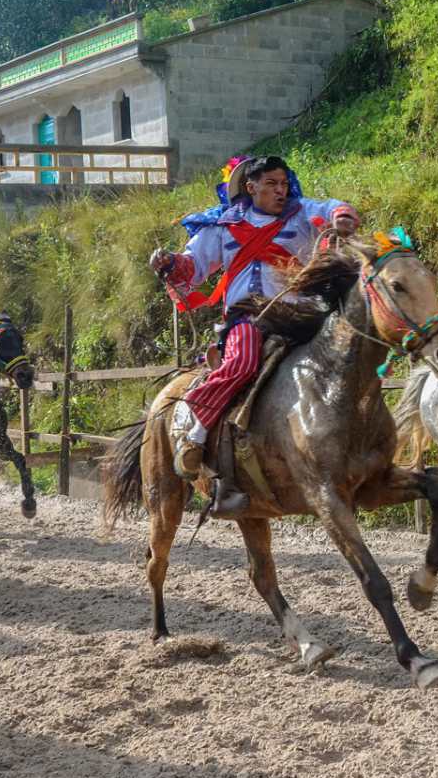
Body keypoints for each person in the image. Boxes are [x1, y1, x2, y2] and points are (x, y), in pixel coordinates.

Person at [147, 154, 360, 517]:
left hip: (302, 316)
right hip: (248, 318)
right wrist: (169, 263)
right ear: (251, 187)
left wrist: (342, 216)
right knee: (242, 362)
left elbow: (334, 208)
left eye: (283, 183)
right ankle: (195, 429)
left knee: (351, 354)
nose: (281, 190)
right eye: (271, 184)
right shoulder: (221, 226)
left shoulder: (302, 213)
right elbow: (193, 268)